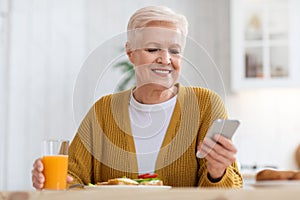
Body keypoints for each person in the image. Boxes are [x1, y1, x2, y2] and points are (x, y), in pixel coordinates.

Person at [32, 5, 243, 188]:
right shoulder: (103, 111)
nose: (165, 59)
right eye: (153, 49)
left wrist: (217, 173)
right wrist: (48, 180)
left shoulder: (206, 105)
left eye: (175, 51)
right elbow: (70, 180)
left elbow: (227, 193)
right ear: (130, 52)